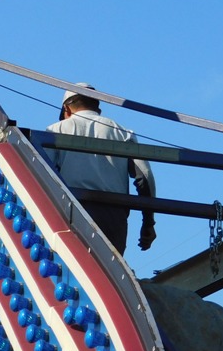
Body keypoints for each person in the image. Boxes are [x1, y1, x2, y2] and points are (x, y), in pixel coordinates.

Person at [45, 83, 156, 254]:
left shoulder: (55, 130)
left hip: (72, 209)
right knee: (110, 268)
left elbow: (44, 173)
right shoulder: (122, 132)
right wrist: (148, 221)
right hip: (114, 215)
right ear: (98, 107)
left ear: (66, 109)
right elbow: (145, 177)